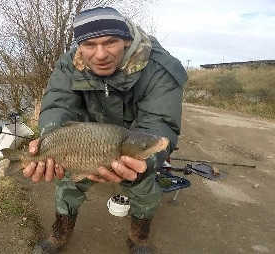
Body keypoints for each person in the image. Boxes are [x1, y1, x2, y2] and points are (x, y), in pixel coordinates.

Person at [24, 6, 187, 254]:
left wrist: (150, 161)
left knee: (143, 181)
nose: (100, 54)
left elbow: (160, 124)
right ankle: (60, 232)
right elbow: (58, 104)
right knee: (68, 181)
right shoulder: (69, 64)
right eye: (89, 44)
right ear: (79, 45)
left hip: (133, 136)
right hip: (85, 138)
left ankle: (139, 238)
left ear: (126, 40)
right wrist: (51, 138)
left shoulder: (160, 68)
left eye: (110, 42)